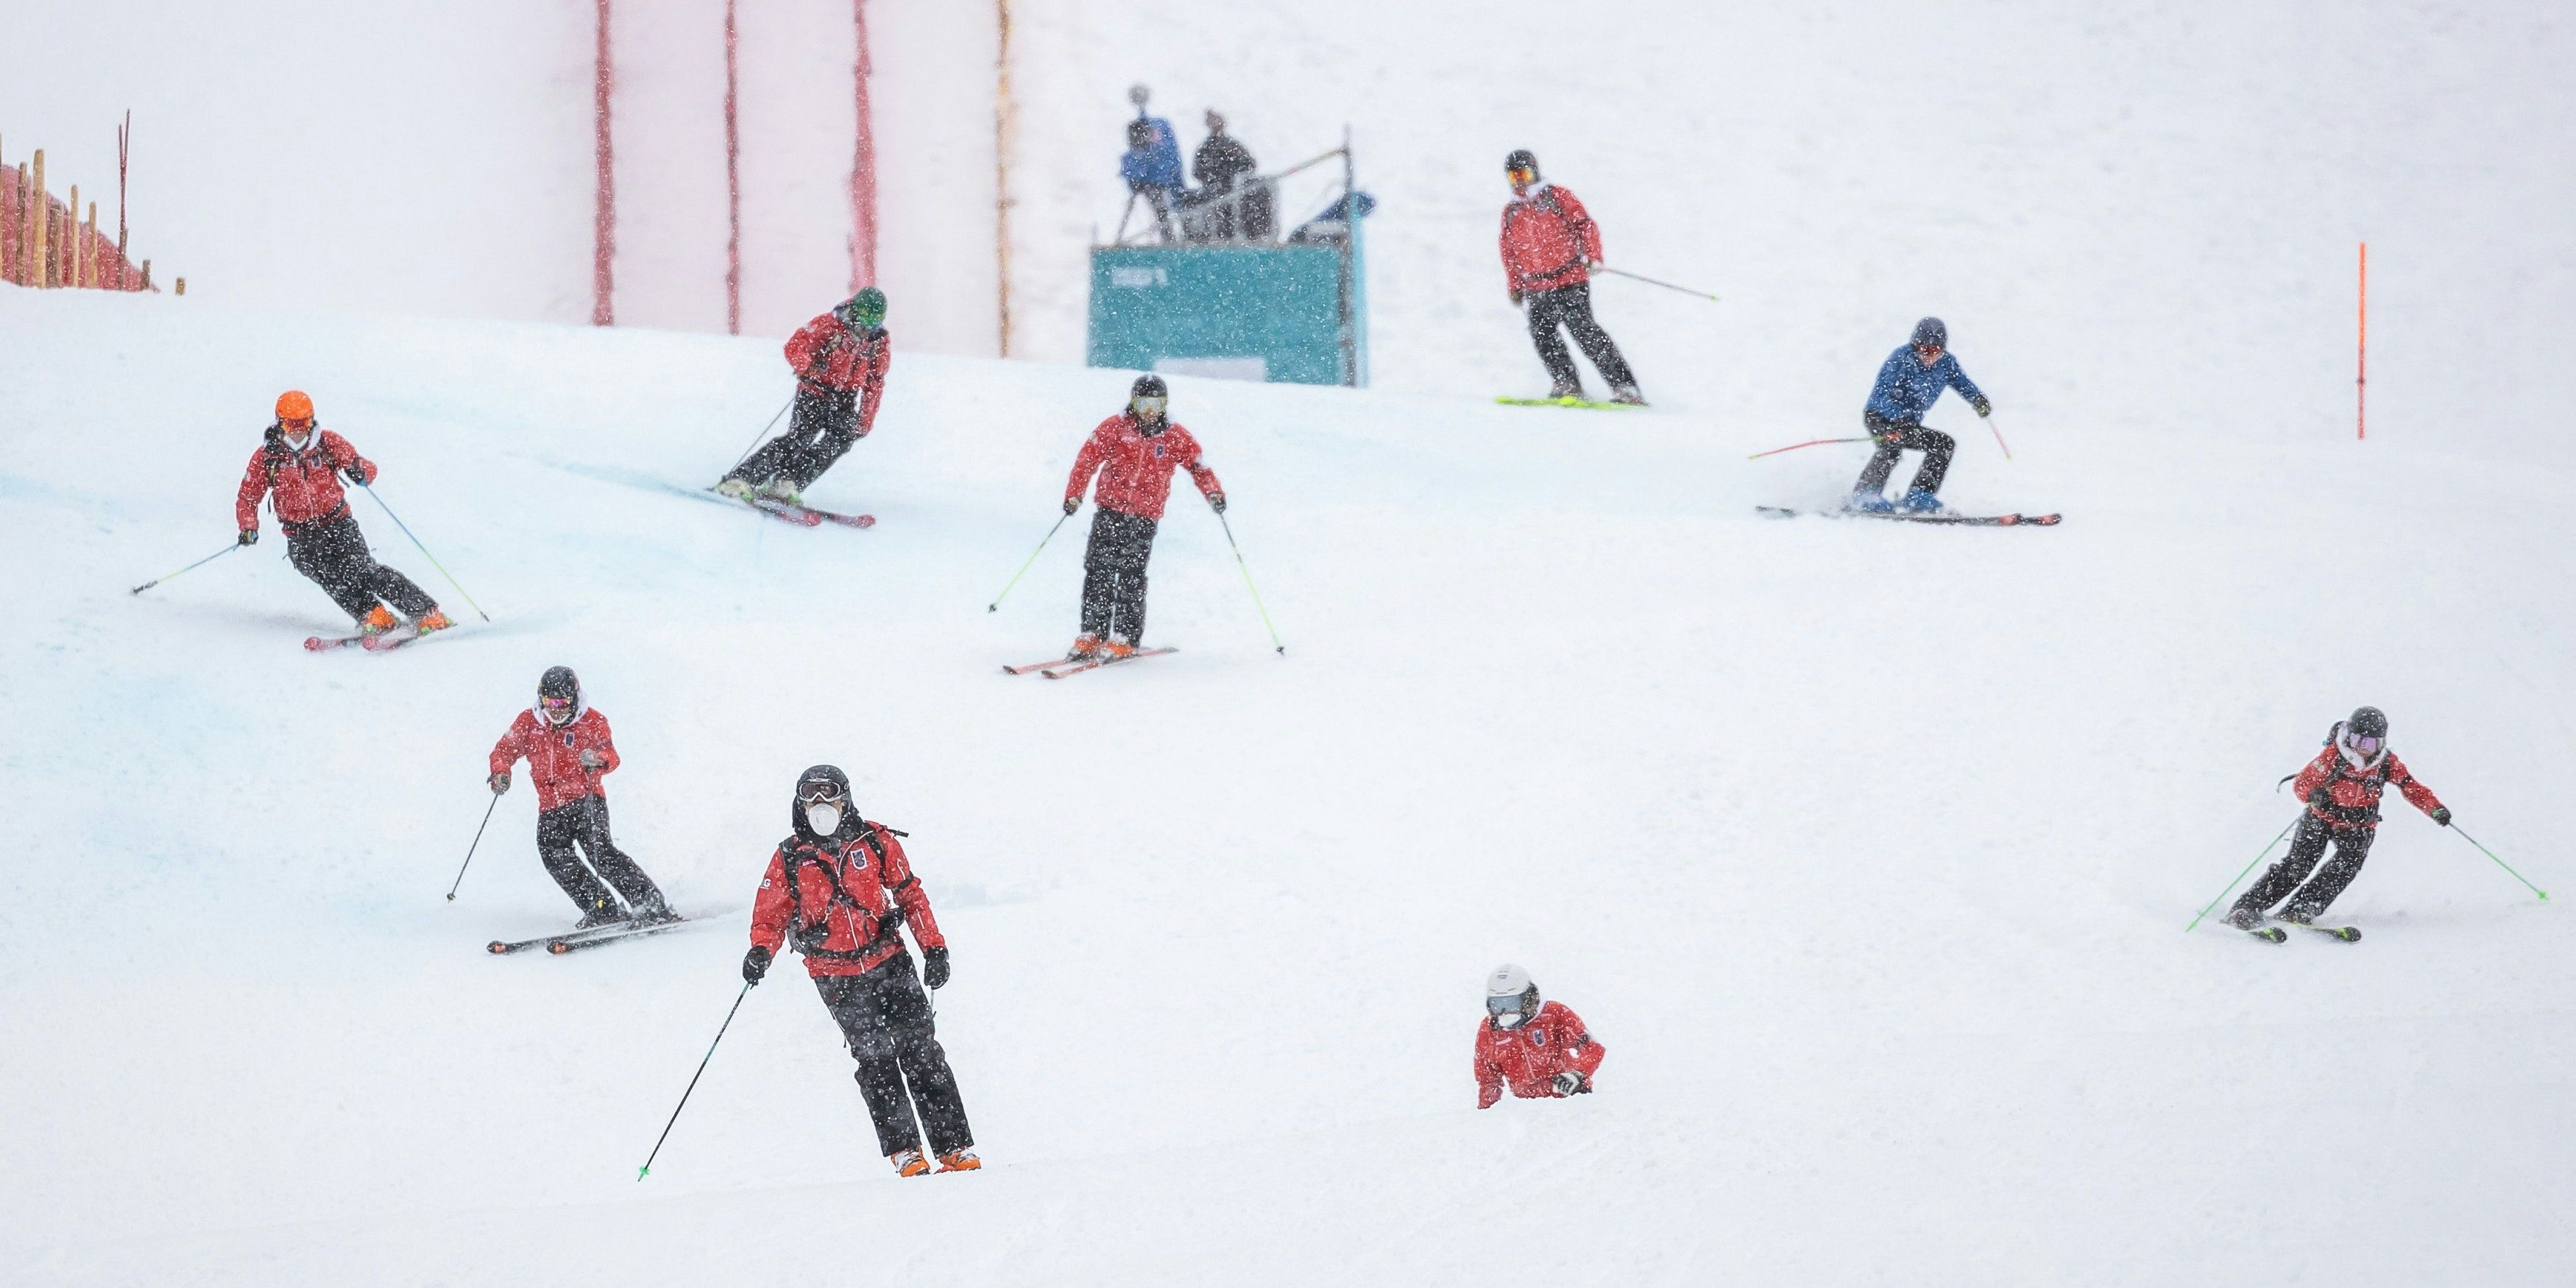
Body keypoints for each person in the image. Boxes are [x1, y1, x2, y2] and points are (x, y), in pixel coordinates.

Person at [741, 765, 979, 1177]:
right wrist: (761, 951)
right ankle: (905, 1150)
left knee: (921, 1050)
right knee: (875, 1059)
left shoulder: (875, 841)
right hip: (835, 975)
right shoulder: (790, 856)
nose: (819, 804)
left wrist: (934, 948)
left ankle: (954, 1147)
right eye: (809, 795)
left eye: (827, 793)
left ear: (844, 797)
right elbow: (770, 915)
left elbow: (910, 895)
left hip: (889, 960)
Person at [234, 390, 452, 637]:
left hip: (337, 523)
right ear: (279, 422)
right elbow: (248, 496)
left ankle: (426, 612)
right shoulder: (267, 457)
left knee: (363, 570)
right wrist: (248, 526)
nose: (297, 430)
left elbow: (366, 468)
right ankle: (373, 615)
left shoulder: (328, 443)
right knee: (327, 575)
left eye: (303, 423)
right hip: (300, 533)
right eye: (290, 424)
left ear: (311, 420)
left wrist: (359, 471)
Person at [2227, 707, 2450, 931]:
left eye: (2370, 744)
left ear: (2381, 743)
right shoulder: (2333, 756)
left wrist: (2434, 808)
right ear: (2348, 736)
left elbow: (2411, 786)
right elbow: (2302, 783)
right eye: (2357, 741)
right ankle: (2248, 907)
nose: (2363, 749)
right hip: (2321, 819)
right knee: (2299, 865)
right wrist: (2314, 795)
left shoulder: (2386, 763)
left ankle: (2302, 908)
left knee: (2345, 868)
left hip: (2359, 825)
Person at [488, 667, 673, 929]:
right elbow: (503, 751)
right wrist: (500, 773)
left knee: (602, 854)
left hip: (586, 800)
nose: (555, 709)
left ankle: (650, 903)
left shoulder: (592, 721)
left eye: (562, 702)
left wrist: (597, 760)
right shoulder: (529, 722)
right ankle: (602, 909)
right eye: (549, 702)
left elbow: (612, 756)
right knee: (555, 857)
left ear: (573, 699)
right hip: (551, 807)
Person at [1060, 374, 1225, 660]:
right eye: (1143, 402)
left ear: (1165, 404)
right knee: (1098, 570)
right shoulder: (1115, 428)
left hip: (1144, 517)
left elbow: (1199, 466)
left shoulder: (1175, 436)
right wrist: (1074, 494)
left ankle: (1125, 636)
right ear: (1133, 402)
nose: (1149, 410)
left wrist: (1213, 493)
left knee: (1131, 576)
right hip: (1110, 510)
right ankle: (1093, 633)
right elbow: (1086, 460)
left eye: (1156, 403)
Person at [718, 289, 892, 506]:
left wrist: (866, 419)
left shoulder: (878, 343)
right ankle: (742, 478)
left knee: (841, 440)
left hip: (846, 398)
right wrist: (809, 366)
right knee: (799, 438)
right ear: (855, 311)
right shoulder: (829, 324)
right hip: (815, 391)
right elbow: (794, 346)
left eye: (875, 322)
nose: (868, 327)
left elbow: (875, 382)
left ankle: (787, 482)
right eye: (865, 317)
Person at [1498, 150, 1641, 405]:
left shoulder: (1557, 197)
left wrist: (1593, 256)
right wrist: (1515, 285)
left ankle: (1625, 387)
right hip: (1536, 285)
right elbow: (1509, 251)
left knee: (1585, 332)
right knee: (1543, 335)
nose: (1520, 181)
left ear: (1535, 172)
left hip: (1569, 279)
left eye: (1524, 174)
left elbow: (1585, 225)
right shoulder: (1511, 212)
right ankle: (1566, 384)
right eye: (1514, 176)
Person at [1852, 317, 1991, 513]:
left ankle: (1920, 495)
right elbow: (1884, 391)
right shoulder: (1901, 358)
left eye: (1933, 351)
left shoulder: (1947, 364)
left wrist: (1977, 398)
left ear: (1942, 350)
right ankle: (1866, 495)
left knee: (1943, 444)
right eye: (1922, 349)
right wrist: (1895, 421)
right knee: (1892, 445)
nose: (1927, 355)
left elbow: (1962, 383)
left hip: (1908, 423)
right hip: (1880, 416)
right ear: (1914, 345)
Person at [1474, 964, 1604, 1109]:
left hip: (1570, 1100)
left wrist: (1577, 1074)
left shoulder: (1553, 1014)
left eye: (1512, 1003)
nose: (1505, 1012)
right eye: (1497, 1005)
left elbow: (1592, 1048)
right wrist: (1486, 1115)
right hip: (1529, 1111)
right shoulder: (1490, 1031)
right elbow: (1488, 1081)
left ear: (1527, 997)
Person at [1189, 110, 1266, 241]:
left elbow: (1250, 164)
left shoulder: (1232, 146)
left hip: (1233, 191)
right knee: (1220, 217)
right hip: (1216, 193)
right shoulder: (1207, 148)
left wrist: (1232, 175)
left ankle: (1240, 235)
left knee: (1233, 215)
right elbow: (1197, 172)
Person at [1119, 105, 1184, 243]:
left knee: (1163, 211)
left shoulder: (1154, 152)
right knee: (1162, 211)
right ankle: (1169, 239)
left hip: (1156, 182)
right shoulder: (1147, 153)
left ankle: (1170, 239)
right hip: (1155, 181)